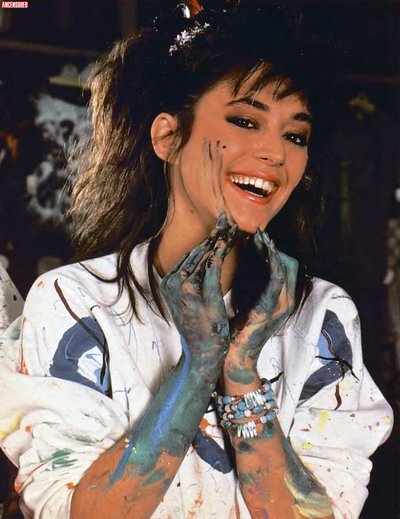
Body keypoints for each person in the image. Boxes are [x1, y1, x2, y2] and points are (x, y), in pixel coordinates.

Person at [0, 3, 393, 518]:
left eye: (295, 135)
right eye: (246, 121)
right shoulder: (76, 302)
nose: (276, 153)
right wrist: (197, 368)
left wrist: (241, 371)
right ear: (167, 136)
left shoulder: (321, 316)